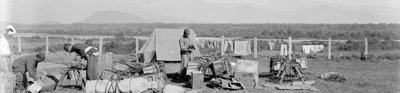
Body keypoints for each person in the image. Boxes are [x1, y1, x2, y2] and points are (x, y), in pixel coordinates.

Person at [0, 25, 16, 93]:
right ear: (7, 34)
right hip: (4, 60)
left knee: (8, 76)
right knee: (6, 76)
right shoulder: (2, 40)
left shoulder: (4, 40)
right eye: (10, 36)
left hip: (6, 60)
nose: (11, 37)